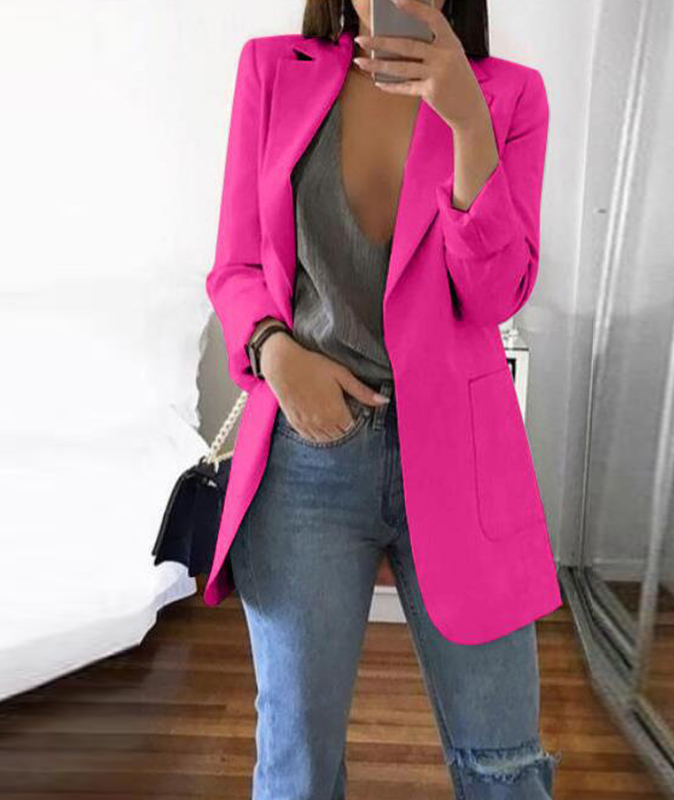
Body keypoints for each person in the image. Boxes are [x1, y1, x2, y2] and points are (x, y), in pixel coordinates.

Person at [206, 1, 562, 797]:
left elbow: (495, 294)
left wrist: (468, 123)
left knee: (503, 762)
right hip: (306, 455)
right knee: (295, 763)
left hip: (461, 460)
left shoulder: (510, 95)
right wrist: (275, 352)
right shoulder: (273, 70)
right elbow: (235, 267)